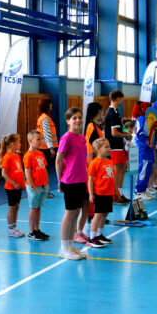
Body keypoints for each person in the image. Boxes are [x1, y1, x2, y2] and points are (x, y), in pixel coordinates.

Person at [55, 107, 89, 261]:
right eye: (74, 118)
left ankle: (70, 245)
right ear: (68, 121)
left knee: (76, 213)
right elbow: (58, 160)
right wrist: (59, 181)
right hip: (69, 181)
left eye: (79, 117)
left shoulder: (81, 138)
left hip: (81, 180)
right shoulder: (66, 138)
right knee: (69, 214)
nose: (77, 120)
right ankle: (63, 248)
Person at [87, 138, 116, 248]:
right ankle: (92, 237)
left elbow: (112, 177)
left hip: (109, 192)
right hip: (99, 193)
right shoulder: (95, 163)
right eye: (106, 147)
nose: (109, 148)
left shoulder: (109, 162)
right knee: (98, 215)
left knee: (105, 214)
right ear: (98, 149)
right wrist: (91, 194)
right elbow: (90, 179)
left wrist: (115, 190)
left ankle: (99, 235)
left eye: (109, 146)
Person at [104, 90, 131, 204]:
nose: (122, 101)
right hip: (114, 146)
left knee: (123, 167)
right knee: (117, 170)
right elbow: (114, 133)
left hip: (119, 145)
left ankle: (119, 192)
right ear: (118, 98)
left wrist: (124, 133)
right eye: (122, 99)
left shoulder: (116, 112)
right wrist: (126, 135)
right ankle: (113, 194)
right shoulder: (112, 113)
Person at [23, 130, 50, 241]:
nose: (40, 141)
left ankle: (37, 229)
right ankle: (31, 232)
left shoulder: (40, 154)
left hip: (42, 184)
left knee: (38, 208)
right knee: (33, 208)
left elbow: (44, 168)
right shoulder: (28, 155)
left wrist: (47, 181)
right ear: (30, 141)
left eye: (41, 139)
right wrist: (32, 184)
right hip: (34, 186)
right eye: (38, 139)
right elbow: (27, 171)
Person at [0, 133, 24, 237]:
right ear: (13, 144)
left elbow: (19, 170)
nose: (20, 144)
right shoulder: (7, 157)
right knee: (12, 207)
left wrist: (22, 183)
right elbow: (4, 173)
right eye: (19, 142)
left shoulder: (17, 155)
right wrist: (14, 183)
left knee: (17, 207)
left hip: (18, 187)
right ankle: (10, 229)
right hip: (11, 187)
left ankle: (14, 227)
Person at [36, 98, 59, 197]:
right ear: (47, 105)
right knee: (45, 171)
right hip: (45, 149)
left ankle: (43, 191)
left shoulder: (41, 117)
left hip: (42, 148)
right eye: (50, 104)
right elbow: (47, 134)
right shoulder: (45, 118)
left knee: (43, 170)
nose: (52, 105)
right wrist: (51, 149)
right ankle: (44, 191)